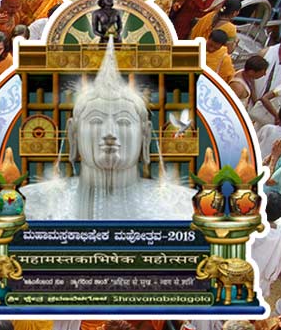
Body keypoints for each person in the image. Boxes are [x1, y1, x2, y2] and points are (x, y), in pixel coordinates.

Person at [19, 42, 196, 220]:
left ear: (146, 135)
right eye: (96, 120)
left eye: (124, 121)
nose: (110, 133)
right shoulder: (39, 203)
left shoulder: (176, 204)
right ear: (73, 134)